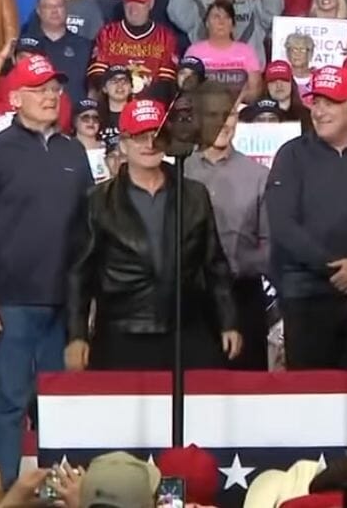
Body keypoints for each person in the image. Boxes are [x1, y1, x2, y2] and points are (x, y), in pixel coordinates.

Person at [0, 55, 93, 486]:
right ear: (15, 98)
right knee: (11, 402)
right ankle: (0, 491)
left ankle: (60, 490)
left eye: (55, 89)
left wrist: (85, 308)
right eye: (40, 90)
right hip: (11, 301)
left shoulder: (74, 151)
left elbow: (85, 235)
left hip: (64, 304)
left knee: (61, 405)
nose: (51, 96)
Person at [66, 98, 242, 372]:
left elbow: (214, 263)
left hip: (186, 328)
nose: (149, 144)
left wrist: (228, 321)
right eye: (139, 137)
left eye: (156, 135)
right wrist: (77, 335)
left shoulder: (194, 194)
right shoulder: (97, 201)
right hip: (121, 333)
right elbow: (80, 273)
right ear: (123, 144)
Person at [266, 66, 347, 369]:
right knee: (308, 395)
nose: (319, 111)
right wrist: (335, 267)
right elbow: (283, 224)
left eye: (330, 102)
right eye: (316, 102)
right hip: (305, 295)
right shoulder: (292, 154)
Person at [185, 86, 272, 371]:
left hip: (243, 297)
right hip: (189, 301)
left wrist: (236, 264)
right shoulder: (177, 172)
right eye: (214, 114)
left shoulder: (258, 176)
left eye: (230, 114)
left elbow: (270, 245)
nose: (224, 123)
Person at [87, 0, 179, 101]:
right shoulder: (107, 33)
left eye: (140, 2)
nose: (133, 9)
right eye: (129, 2)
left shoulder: (166, 37)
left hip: (150, 109)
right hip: (114, 106)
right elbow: (96, 76)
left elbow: (167, 83)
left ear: (151, 3)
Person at [21, 0, 92, 103]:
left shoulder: (85, 46)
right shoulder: (25, 46)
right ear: (38, 11)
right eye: (48, 7)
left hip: (75, 115)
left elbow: (92, 88)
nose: (54, 11)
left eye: (59, 6)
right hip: (38, 113)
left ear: (66, 9)